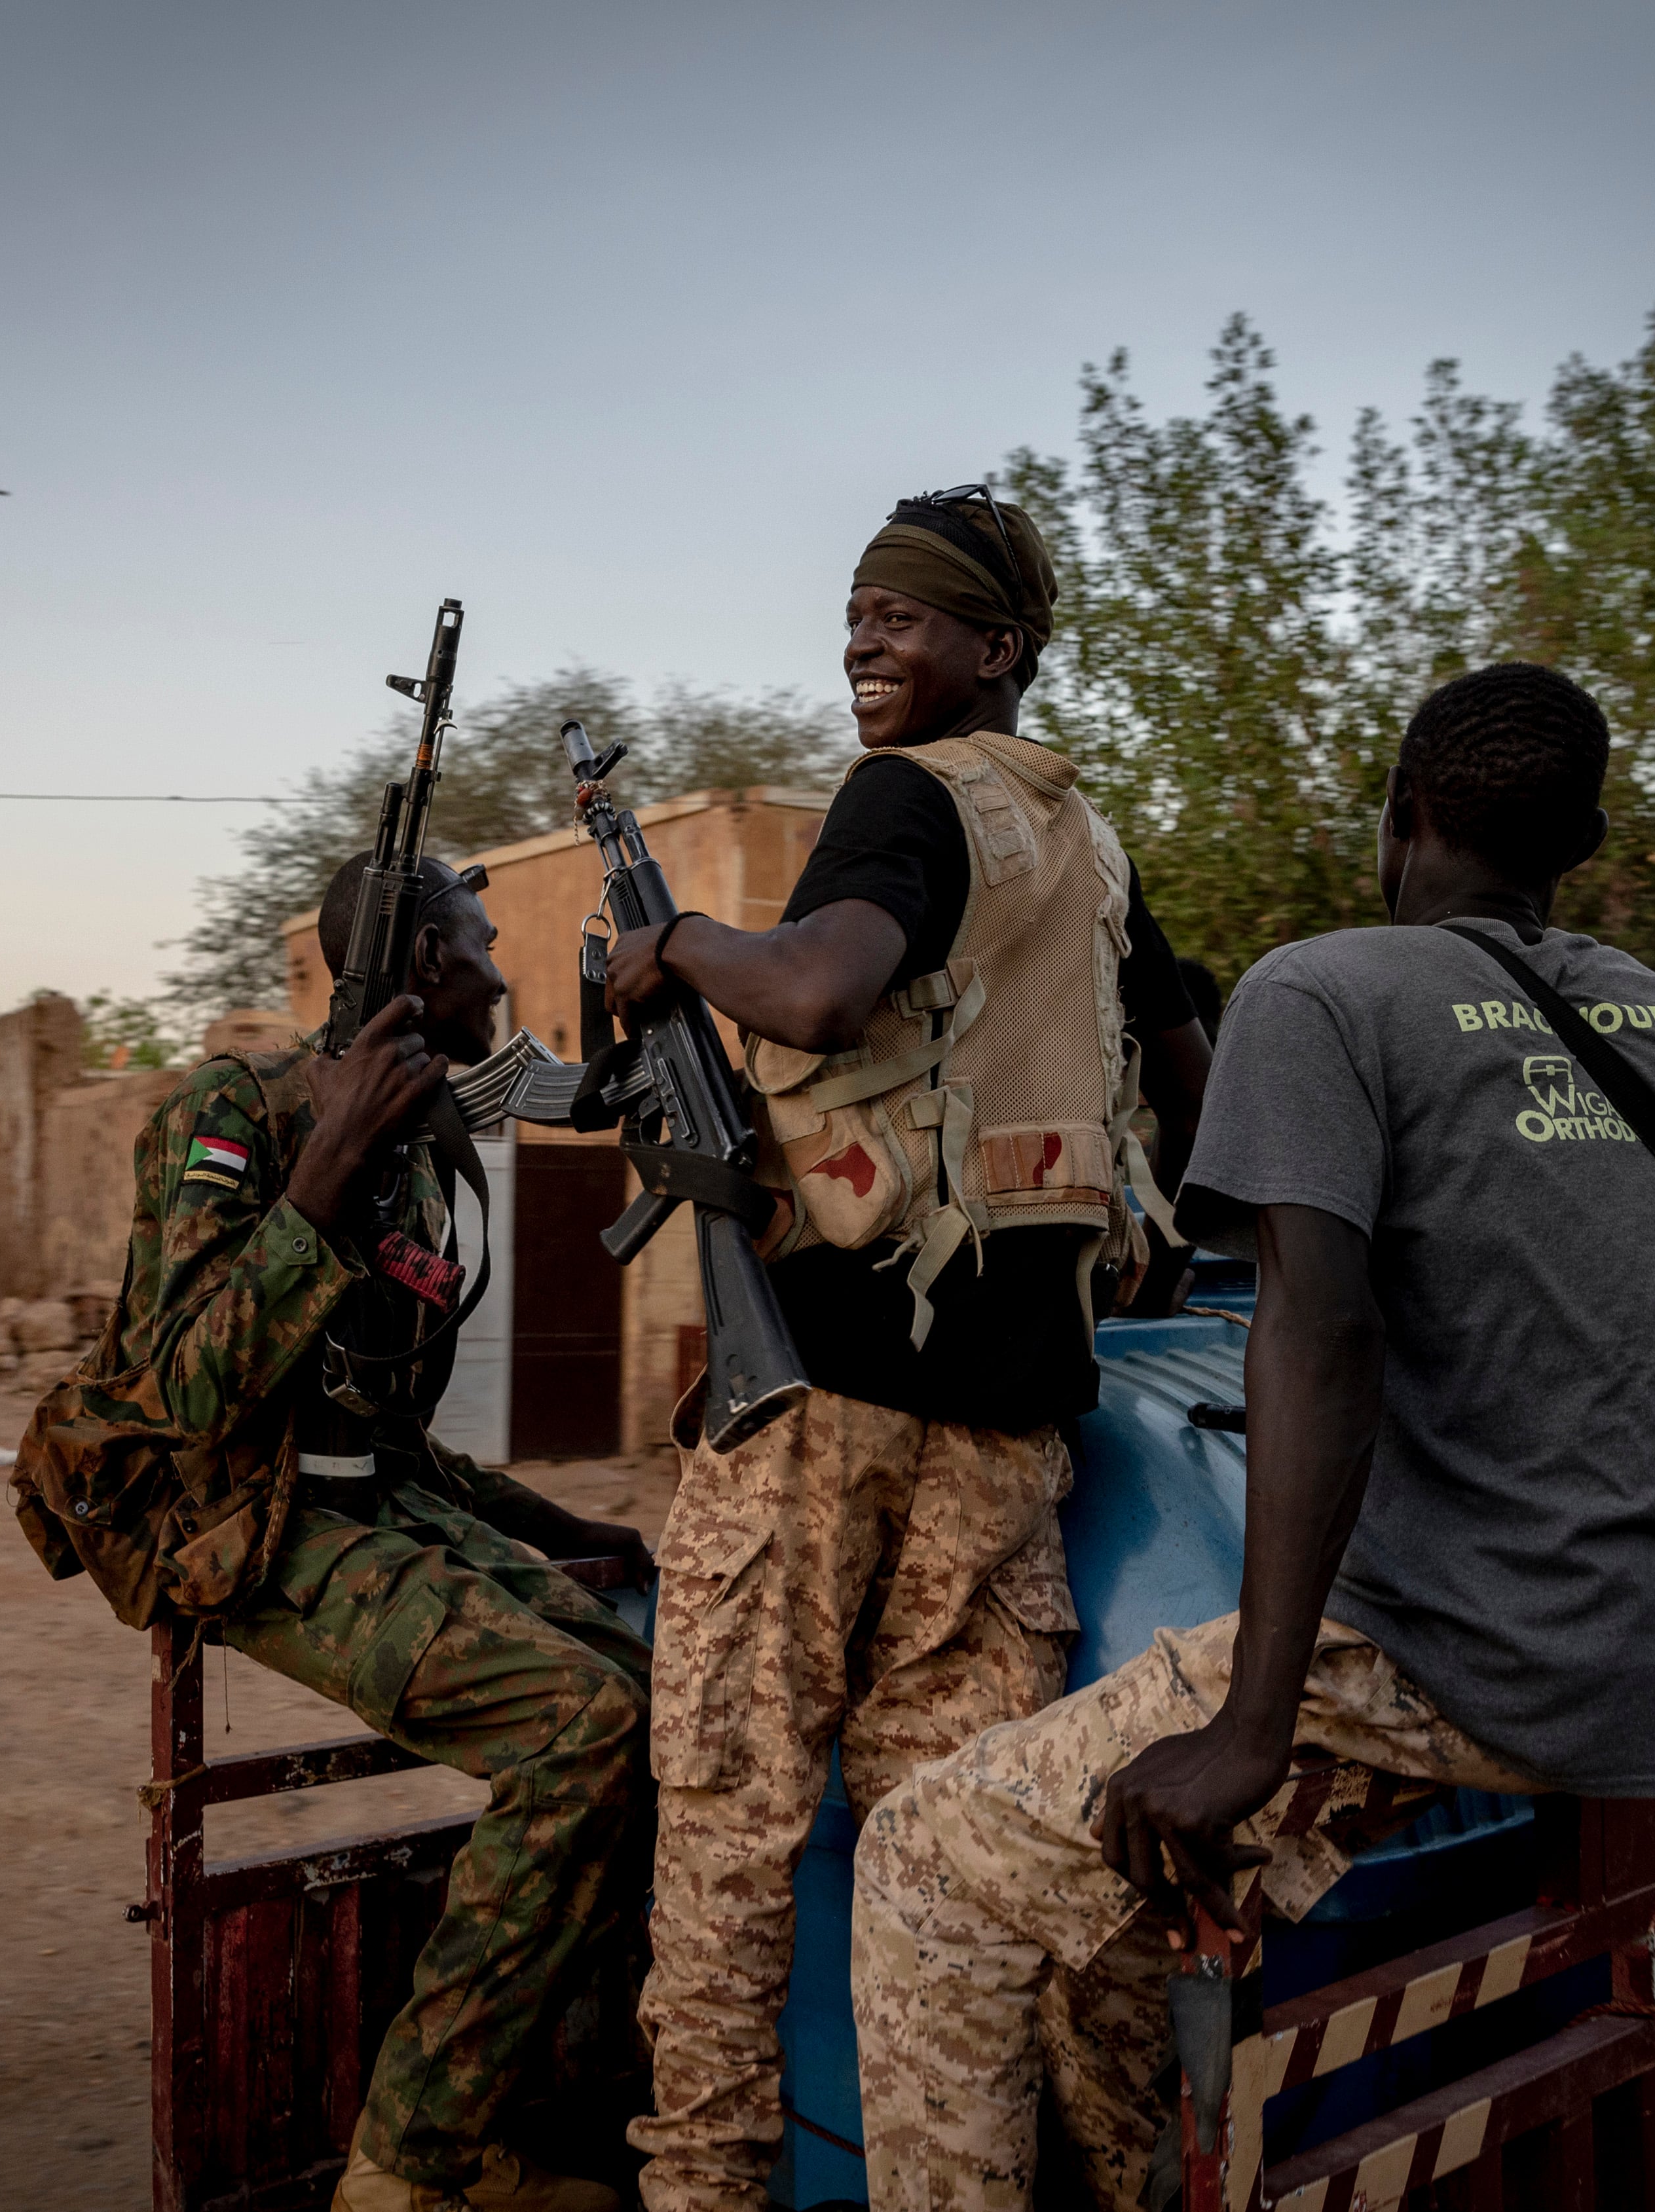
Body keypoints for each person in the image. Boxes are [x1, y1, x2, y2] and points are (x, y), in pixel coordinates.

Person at [846, 662, 1655, 2212]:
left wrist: (1251, 1724)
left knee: (919, 1860)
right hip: (1639, 1678)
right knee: (1102, 1874)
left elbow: (1316, 1330)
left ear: (1403, 814)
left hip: (1436, 1663)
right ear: (1575, 837)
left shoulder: (1321, 994)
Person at [600, 485, 1212, 2212]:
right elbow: (1196, 1076)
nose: (864, 640)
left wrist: (671, 948)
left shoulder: (911, 795)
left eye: (904, 617)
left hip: (820, 1409)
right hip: (1008, 1438)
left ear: (995, 649)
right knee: (963, 1885)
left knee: (725, 1843)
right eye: (856, 614)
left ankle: (712, 2193)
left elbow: (812, 991)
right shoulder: (1084, 845)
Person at [11, 857, 656, 2212]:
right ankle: (405, 2170)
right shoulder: (232, 1112)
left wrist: (558, 1524)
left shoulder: (424, 1143)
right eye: (481, 949)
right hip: (241, 1519)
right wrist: (323, 1171)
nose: (502, 975)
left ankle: (517, 2121)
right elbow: (184, 1390)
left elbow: (384, 1426)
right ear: (425, 965)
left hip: (362, 1501)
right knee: (577, 1725)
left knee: (645, 1693)